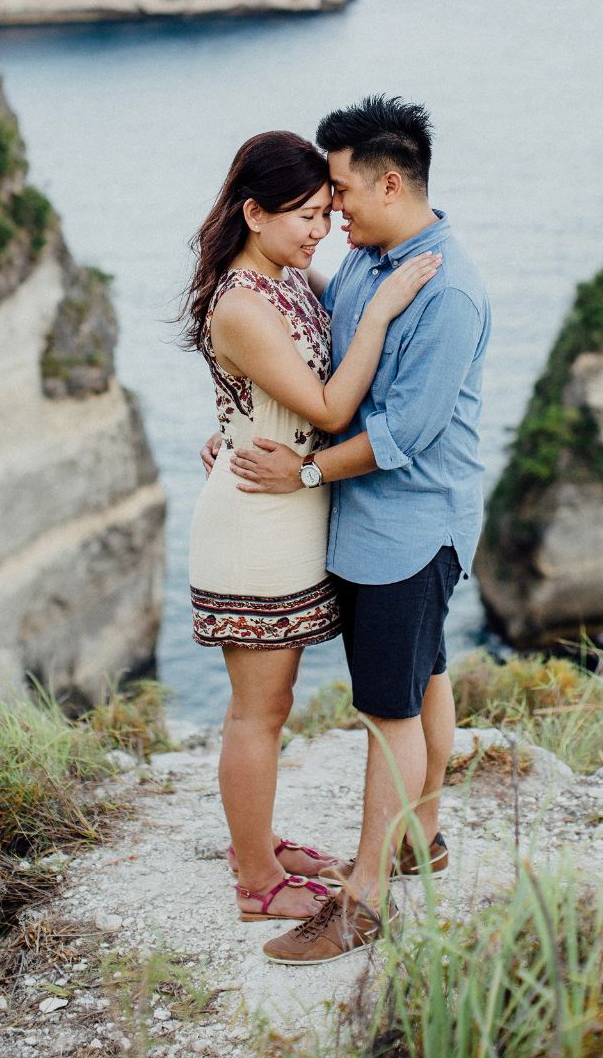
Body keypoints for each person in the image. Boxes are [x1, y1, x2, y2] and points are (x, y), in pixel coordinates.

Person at [222, 96, 491, 964]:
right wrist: (239, 423)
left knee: (387, 712)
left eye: (338, 189)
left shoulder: (446, 289)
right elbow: (317, 367)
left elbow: (403, 435)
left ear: (386, 181)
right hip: (373, 521)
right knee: (425, 678)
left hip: (408, 527)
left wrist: (302, 471)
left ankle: (363, 899)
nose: (329, 207)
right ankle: (425, 837)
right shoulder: (369, 263)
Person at [181, 129, 441, 928]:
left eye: (328, 212)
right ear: (254, 213)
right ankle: (257, 881)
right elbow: (327, 407)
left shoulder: (292, 278)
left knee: (279, 698)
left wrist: (228, 426)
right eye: (303, 216)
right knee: (257, 709)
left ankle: (255, 845)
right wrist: (388, 307)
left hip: (288, 508)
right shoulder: (242, 302)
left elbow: (280, 393)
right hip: (255, 522)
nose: (319, 230)